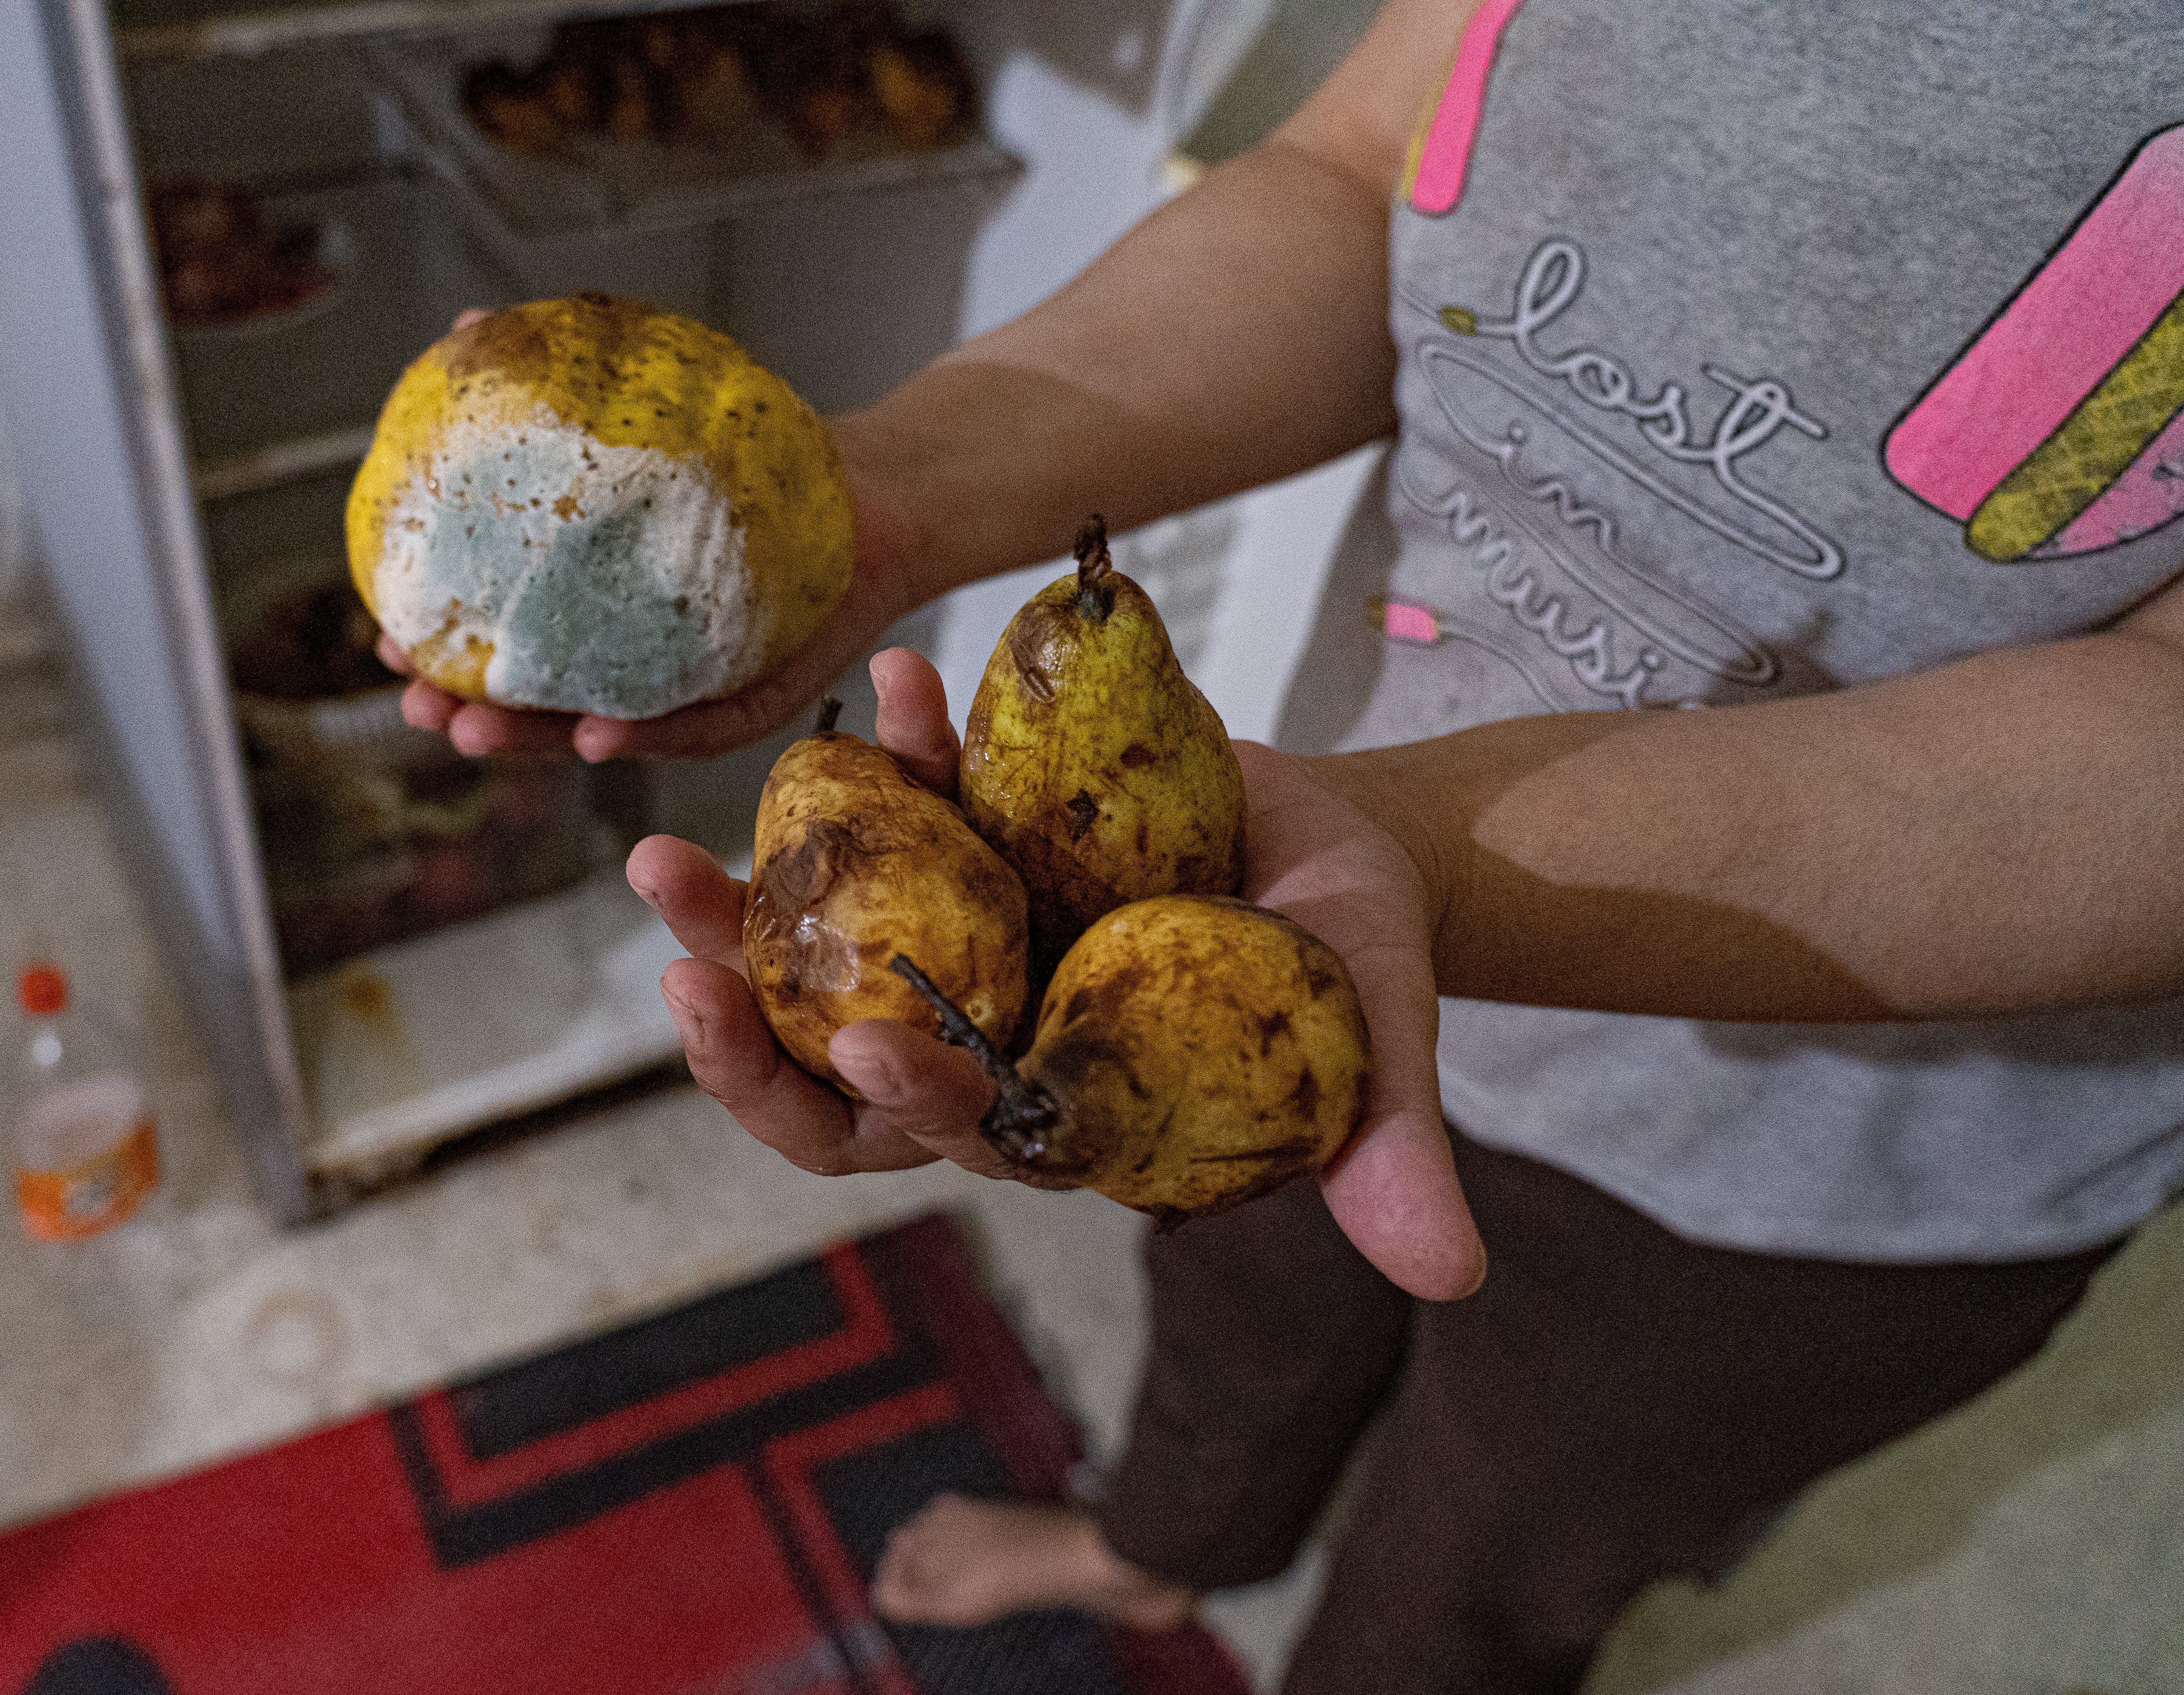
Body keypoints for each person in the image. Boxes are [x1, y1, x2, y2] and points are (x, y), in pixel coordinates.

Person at [391, 0, 2184, 1684]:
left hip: (1839, 1164)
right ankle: (1163, 1542)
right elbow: (1358, 175)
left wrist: (1441, 864)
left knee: (1486, 1561)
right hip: (1279, 906)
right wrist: (902, 494)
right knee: (1238, 1315)